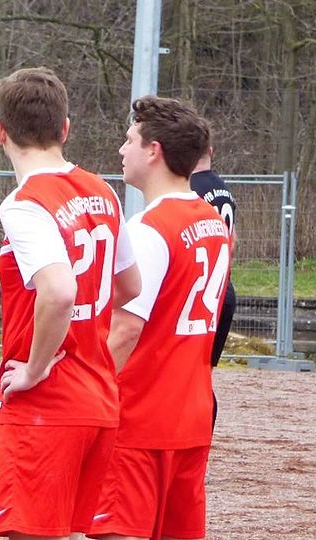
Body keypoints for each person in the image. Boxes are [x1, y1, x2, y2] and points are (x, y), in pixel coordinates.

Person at [0, 67, 141, 540]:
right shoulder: (103, 191)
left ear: (1, 132)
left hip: (47, 403)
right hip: (97, 396)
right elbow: (129, 286)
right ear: (65, 128)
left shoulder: (24, 202)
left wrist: (33, 369)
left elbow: (58, 291)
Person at [89, 96, 227, 540]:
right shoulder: (213, 222)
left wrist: (88, 390)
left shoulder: (149, 228)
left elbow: (127, 328)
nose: (121, 149)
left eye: (130, 139)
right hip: (190, 415)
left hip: (140, 417)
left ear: (154, 150)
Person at [189, 147, 237, 429]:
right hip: (223, 287)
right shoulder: (223, 188)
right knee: (203, 375)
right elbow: (232, 239)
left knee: (191, 376)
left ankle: (196, 436)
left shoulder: (191, 188)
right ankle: (203, 439)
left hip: (202, 291)